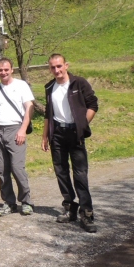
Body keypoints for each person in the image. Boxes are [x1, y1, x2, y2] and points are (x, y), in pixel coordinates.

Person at [41, 54, 99, 233]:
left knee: (80, 173)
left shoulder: (79, 83)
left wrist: (82, 124)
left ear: (66, 65)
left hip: (76, 133)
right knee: (61, 171)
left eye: (59, 66)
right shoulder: (50, 87)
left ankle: (86, 213)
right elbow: (48, 113)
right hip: (57, 133)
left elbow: (93, 105)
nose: (56, 70)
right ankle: (69, 208)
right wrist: (45, 136)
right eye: (52, 67)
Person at [0, 58, 35, 217]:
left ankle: (26, 202)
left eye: (6, 69)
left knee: (17, 168)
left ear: (12, 69)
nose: (3, 72)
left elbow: (29, 108)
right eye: (0, 70)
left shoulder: (21, 86)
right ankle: (9, 202)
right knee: (2, 169)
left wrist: (22, 129)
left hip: (15, 129)